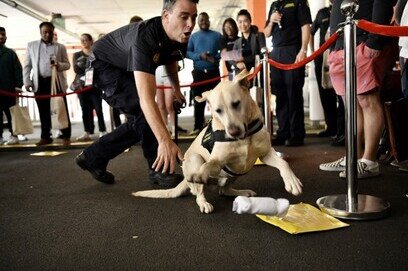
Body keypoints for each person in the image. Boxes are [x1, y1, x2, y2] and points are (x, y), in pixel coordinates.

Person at [75, 0, 198, 187]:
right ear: (166, 16)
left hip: (123, 65)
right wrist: (165, 140)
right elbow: (146, 100)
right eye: (184, 17)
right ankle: (159, 170)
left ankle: (93, 157)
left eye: (193, 17)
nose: (191, 23)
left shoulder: (179, 34)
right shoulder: (145, 39)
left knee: (139, 121)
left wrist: (177, 90)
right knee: (143, 114)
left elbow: (171, 60)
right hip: (104, 65)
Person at [319, 0, 397, 179]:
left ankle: (369, 161)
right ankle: (354, 157)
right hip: (340, 44)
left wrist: (374, 42)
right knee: (350, 105)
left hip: (362, 42)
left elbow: (382, 4)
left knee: (367, 100)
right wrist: (333, 46)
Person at [264, 0, 312, 147]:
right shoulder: (274, 5)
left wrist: (303, 50)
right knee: (280, 95)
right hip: (276, 53)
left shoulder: (299, 2)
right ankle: (283, 132)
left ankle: (296, 134)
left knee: (294, 93)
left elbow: (305, 27)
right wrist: (271, 21)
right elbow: (266, 33)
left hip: (293, 49)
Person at [23, 22, 71, 146]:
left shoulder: (60, 47)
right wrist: (27, 81)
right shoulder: (31, 46)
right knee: (43, 111)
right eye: (45, 32)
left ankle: (66, 135)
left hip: (56, 82)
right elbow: (27, 66)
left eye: (50, 32)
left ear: (53, 32)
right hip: (39, 83)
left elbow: (67, 64)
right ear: (40, 32)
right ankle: (45, 136)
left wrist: (58, 65)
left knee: (61, 108)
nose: (48, 34)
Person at [186, 12, 222, 136]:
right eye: (201, 20)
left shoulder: (217, 35)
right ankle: (197, 127)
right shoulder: (193, 37)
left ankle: (218, 125)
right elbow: (187, 52)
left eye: (206, 20)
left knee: (216, 101)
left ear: (209, 21)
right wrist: (199, 56)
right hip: (198, 73)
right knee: (198, 101)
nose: (204, 22)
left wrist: (215, 58)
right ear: (197, 21)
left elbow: (223, 52)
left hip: (214, 73)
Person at [310, 4, 339, 138]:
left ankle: (342, 129)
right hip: (322, 58)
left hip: (339, 55)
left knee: (340, 94)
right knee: (325, 94)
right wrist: (313, 52)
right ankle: (331, 127)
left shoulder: (344, 8)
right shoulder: (322, 13)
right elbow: (311, 31)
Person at [73, 33, 107, 141]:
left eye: (86, 40)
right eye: (81, 40)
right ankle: (86, 131)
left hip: (95, 85)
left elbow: (99, 67)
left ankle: (102, 130)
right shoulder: (77, 54)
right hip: (82, 86)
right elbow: (76, 70)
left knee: (98, 108)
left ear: (91, 41)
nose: (83, 42)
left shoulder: (95, 53)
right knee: (84, 109)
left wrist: (87, 69)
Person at [0, 27, 23, 145]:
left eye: (3, 34)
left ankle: (14, 135)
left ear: (6, 37)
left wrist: (18, 85)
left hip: (8, 90)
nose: (1, 36)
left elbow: (18, 70)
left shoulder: (10, 53)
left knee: (11, 114)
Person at [233, 9, 266, 81]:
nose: (243, 24)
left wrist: (244, 61)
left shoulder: (259, 36)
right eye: (240, 22)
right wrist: (237, 64)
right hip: (242, 77)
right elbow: (233, 60)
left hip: (257, 76)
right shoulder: (237, 42)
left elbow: (262, 55)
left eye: (245, 21)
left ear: (250, 21)